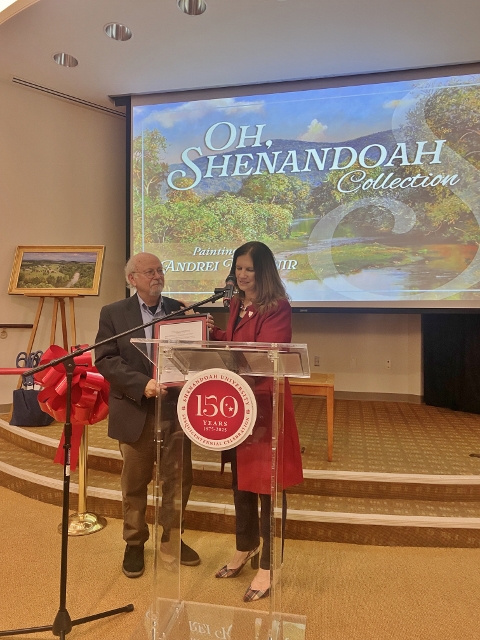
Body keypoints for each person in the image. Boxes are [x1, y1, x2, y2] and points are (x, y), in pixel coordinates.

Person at [208, 241, 303, 602]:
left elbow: (265, 355)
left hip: (265, 404)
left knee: (266, 484)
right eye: (238, 268)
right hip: (238, 401)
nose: (242, 275)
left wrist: (229, 351)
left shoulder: (277, 307)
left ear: (263, 272)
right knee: (241, 481)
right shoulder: (236, 303)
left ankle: (267, 565)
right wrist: (211, 333)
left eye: (249, 269)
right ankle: (244, 545)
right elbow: (236, 343)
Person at [95, 252, 200, 578]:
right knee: (135, 482)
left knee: (178, 480)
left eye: (160, 270)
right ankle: (135, 542)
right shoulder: (113, 313)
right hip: (135, 408)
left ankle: (171, 538)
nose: (157, 276)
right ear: (133, 279)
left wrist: (202, 329)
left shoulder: (179, 310)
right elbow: (105, 359)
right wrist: (143, 384)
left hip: (175, 409)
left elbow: (196, 354)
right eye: (149, 272)